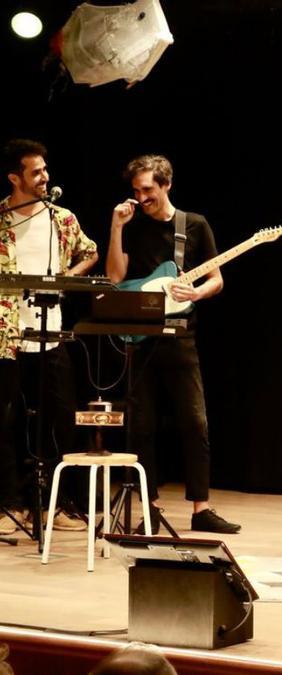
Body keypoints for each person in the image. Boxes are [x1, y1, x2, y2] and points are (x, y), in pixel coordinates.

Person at [106, 154, 239, 534]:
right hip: (140, 338)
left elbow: (217, 279)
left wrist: (195, 293)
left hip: (180, 337)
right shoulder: (131, 225)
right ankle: (149, 509)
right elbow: (115, 277)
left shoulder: (194, 225)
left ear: (166, 185)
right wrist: (115, 228)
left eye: (148, 189)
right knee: (142, 426)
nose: (141, 197)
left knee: (195, 423)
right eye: (136, 190)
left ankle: (202, 508)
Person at [0, 139, 98, 535]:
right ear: (14, 178)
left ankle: (55, 504)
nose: (45, 177)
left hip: (51, 332)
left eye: (45, 169)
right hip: (6, 335)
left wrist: (65, 281)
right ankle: (10, 504)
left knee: (60, 418)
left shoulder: (62, 218)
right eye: (36, 172)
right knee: (6, 420)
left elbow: (88, 251)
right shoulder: (1, 219)